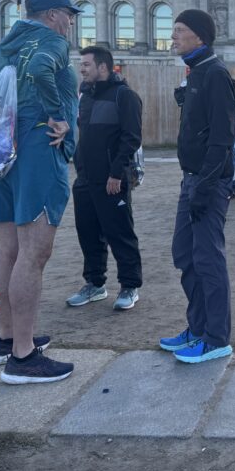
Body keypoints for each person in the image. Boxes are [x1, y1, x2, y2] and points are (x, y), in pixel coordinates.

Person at [0, 0, 81, 383]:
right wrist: (57, 116)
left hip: (5, 151)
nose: (71, 22)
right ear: (51, 15)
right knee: (34, 252)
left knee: (8, 248)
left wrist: (2, 115)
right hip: (38, 150)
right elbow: (42, 70)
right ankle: (24, 358)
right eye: (68, 14)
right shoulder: (51, 43)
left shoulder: (5, 48)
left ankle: (7, 340)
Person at [160, 9, 235, 364]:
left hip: (208, 182)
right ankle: (198, 327)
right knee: (185, 254)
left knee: (208, 259)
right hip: (191, 179)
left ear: (200, 37)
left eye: (179, 30)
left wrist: (205, 186)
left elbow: (222, 137)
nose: (173, 36)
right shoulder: (197, 71)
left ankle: (216, 338)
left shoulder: (215, 74)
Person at [66, 46, 144, 312]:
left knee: (119, 233)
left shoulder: (125, 96)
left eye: (86, 64)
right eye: (81, 64)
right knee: (88, 233)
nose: (82, 69)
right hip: (85, 179)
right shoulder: (85, 96)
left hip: (112, 179)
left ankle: (129, 286)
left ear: (103, 67)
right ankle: (95, 284)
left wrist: (116, 173)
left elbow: (131, 138)